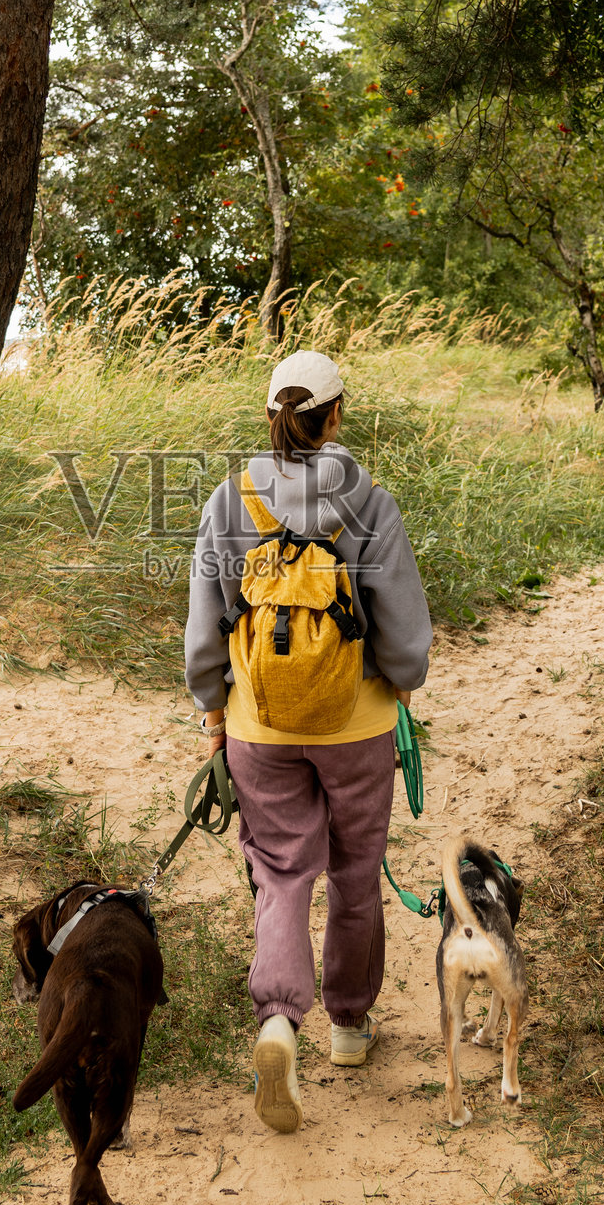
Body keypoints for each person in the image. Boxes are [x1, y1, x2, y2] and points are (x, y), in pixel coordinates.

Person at [184, 349, 432, 1133]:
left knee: (283, 873)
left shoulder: (230, 500)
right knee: (356, 873)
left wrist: (214, 715)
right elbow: (405, 646)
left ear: (270, 417)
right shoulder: (369, 502)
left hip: (261, 725)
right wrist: (395, 682)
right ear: (334, 415)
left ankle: (277, 1024)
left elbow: (204, 626)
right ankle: (350, 1027)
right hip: (356, 726)